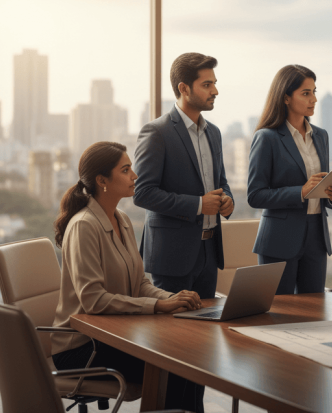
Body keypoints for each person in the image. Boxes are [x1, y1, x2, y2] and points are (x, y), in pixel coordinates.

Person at [51, 142, 202, 408]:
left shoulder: (122, 219)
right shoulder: (84, 226)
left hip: (115, 335)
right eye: (125, 169)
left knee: (192, 356)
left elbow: (140, 284)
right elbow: (94, 301)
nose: (135, 176)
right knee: (176, 363)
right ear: (102, 180)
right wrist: (158, 305)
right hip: (82, 349)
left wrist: (172, 298)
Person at [133, 52, 233, 412]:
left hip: (208, 253)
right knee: (174, 350)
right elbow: (142, 193)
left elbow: (220, 184)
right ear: (183, 88)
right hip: (173, 256)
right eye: (207, 84)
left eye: (214, 83)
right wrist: (196, 204)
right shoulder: (157, 132)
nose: (215, 90)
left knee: (201, 351)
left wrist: (227, 202)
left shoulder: (215, 133)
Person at [248, 65, 332, 294]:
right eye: (306, 93)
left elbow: (322, 184)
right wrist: (300, 192)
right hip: (280, 239)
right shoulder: (267, 138)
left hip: (317, 236)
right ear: (286, 97)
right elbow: (255, 195)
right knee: (279, 313)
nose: (314, 99)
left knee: (314, 310)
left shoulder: (321, 136)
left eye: (314, 91)